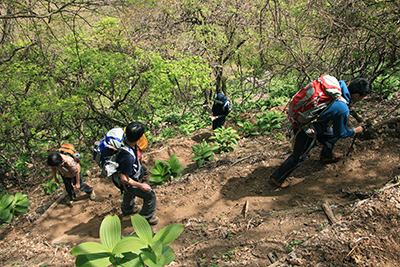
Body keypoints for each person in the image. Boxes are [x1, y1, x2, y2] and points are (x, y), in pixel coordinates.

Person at [270, 77, 372, 188]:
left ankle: (327, 156)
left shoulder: (337, 86)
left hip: (313, 122)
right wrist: (355, 131)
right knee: (298, 158)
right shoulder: (342, 107)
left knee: (331, 135)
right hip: (306, 129)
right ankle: (277, 178)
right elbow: (341, 133)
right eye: (363, 97)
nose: (362, 99)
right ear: (357, 95)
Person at [112, 121, 159, 225]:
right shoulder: (127, 157)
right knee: (150, 196)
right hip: (128, 181)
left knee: (129, 192)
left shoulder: (126, 142)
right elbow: (124, 178)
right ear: (138, 138)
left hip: (130, 179)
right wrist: (140, 185)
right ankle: (145, 218)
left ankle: (127, 209)